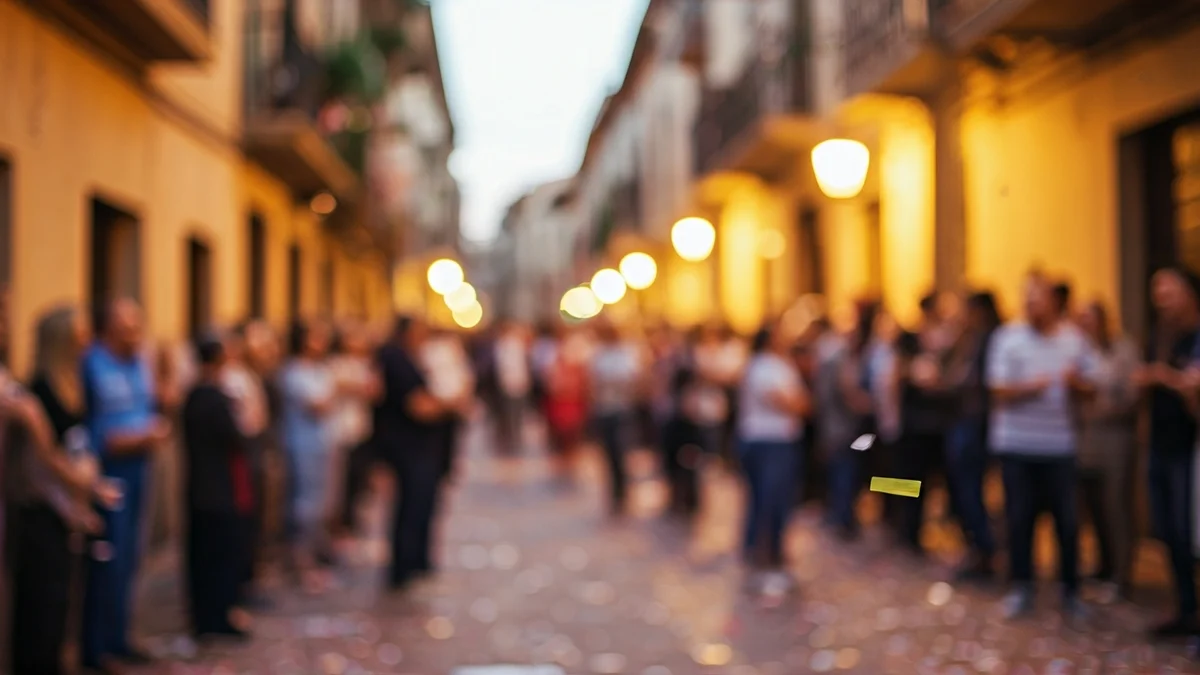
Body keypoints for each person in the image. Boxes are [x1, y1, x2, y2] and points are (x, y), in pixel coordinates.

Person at [7, 306, 118, 675]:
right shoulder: (36, 391)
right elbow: (44, 459)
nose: (87, 340)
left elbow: (75, 445)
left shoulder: (73, 382)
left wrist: (91, 487)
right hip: (43, 507)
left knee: (63, 602)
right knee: (41, 604)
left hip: (68, 504)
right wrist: (79, 487)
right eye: (81, 334)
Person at [988, 273, 1094, 619]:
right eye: (1026, 299)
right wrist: (1031, 388)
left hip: (1059, 446)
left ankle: (1071, 590)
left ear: (1053, 301)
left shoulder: (1074, 339)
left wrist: (1077, 385)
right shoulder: (1007, 339)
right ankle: (1022, 586)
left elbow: (1093, 386)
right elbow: (996, 389)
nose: (1031, 305)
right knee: (1020, 518)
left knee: (1066, 521)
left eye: (1038, 298)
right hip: (1016, 445)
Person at [81, 298, 170, 673]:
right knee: (107, 559)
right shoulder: (92, 363)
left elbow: (154, 404)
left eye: (138, 326)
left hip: (140, 468)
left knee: (132, 554)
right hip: (107, 472)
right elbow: (93, 425)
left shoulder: (141, 362)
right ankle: (97, 646)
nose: (135, 334)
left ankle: (121, 635)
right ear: (109, 328)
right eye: (128, 327)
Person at [374, 317, 465, 589]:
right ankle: (404, 564)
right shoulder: (396, 360)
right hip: (408, 447)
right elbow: (420, 406)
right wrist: (451, 404)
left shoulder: (414, 358)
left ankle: (416, 560)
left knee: (423, 504)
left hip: (422, 447)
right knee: (410, 505)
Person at [1140, 267, 1200, 636]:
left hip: (1190, 447)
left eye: (1169, 289)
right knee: (1169, 530)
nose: (1161, 296)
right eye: (1156, 289)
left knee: (1187, 528)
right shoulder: (1160, 335)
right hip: (1160, 443)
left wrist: (1167, 378)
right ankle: (1185, 605)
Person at [181, 333, 253, 640]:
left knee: (207, 555)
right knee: (217, 555)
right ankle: (215, 617)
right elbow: (236, 436)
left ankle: (209, 616)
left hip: (204, 485)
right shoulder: (211, 397)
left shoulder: (197, 395)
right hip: (216, 488)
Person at [1075, 300, 1139, 600]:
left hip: (1115, 436)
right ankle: (1103, 564)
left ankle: (1121, 572)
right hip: (1087, 437)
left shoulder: (1123, 350)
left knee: (1116, 504)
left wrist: (1099, 405)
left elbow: (1132, 396)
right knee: (1093, 504)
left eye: (1089, 317)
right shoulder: (1078, 351)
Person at [737, 323, 809, 589]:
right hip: (768, 441)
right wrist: (797, 403)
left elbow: (802, 402)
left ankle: (766, 548)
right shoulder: (763, 366)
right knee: (769, 499)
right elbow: (789, 402)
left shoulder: (779, 365)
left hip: (778, 440)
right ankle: (765, 551)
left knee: (772, 498)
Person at [942, 291, 1002, 580]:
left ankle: (984, 550)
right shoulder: (972, 339)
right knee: (964, 491)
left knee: (970, 490)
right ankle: (980, 549)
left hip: (975, 425)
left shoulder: (989, 340)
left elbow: (971, 382)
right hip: (967, 423)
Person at [279, 320, 336, 593]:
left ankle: (313, 556)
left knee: (319, 503)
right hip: (302, 446)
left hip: (321, 444)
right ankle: (301, 563)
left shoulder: (319, 370)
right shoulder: (294, 373)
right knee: (304, 504)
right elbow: (319, 405)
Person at [817, 301, 877, 541]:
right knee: (846, 473)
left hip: (832, 425)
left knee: (841, 471)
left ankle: (839, 516)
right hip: (842, 427)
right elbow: (847, 390)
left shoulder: (827, 352)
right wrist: (869, 405)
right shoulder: (838, 355)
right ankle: (843, 519)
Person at [221, 322, 272, 606]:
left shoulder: (247, 375)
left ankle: (248, 579)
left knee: (254, 517)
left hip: (253, 446)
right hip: (240, 452)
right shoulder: (231, 379)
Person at [327, 322, 379, 540]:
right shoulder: (334, 363)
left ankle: (351, 518)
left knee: (358, 476)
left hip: (359, 429)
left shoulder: (365, 364)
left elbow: (373, 391)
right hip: (338, 431)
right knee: (338, 482)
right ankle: (338, 525)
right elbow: (335, 387)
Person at [590, 322, 642, 515]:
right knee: (608, 453)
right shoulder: (600, 354)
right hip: (604, 409)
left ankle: (624, 491)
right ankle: (614, 491)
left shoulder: (626, 353)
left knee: (622, 451)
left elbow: (631, 380)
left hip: (621, 410)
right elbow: (594, 382)